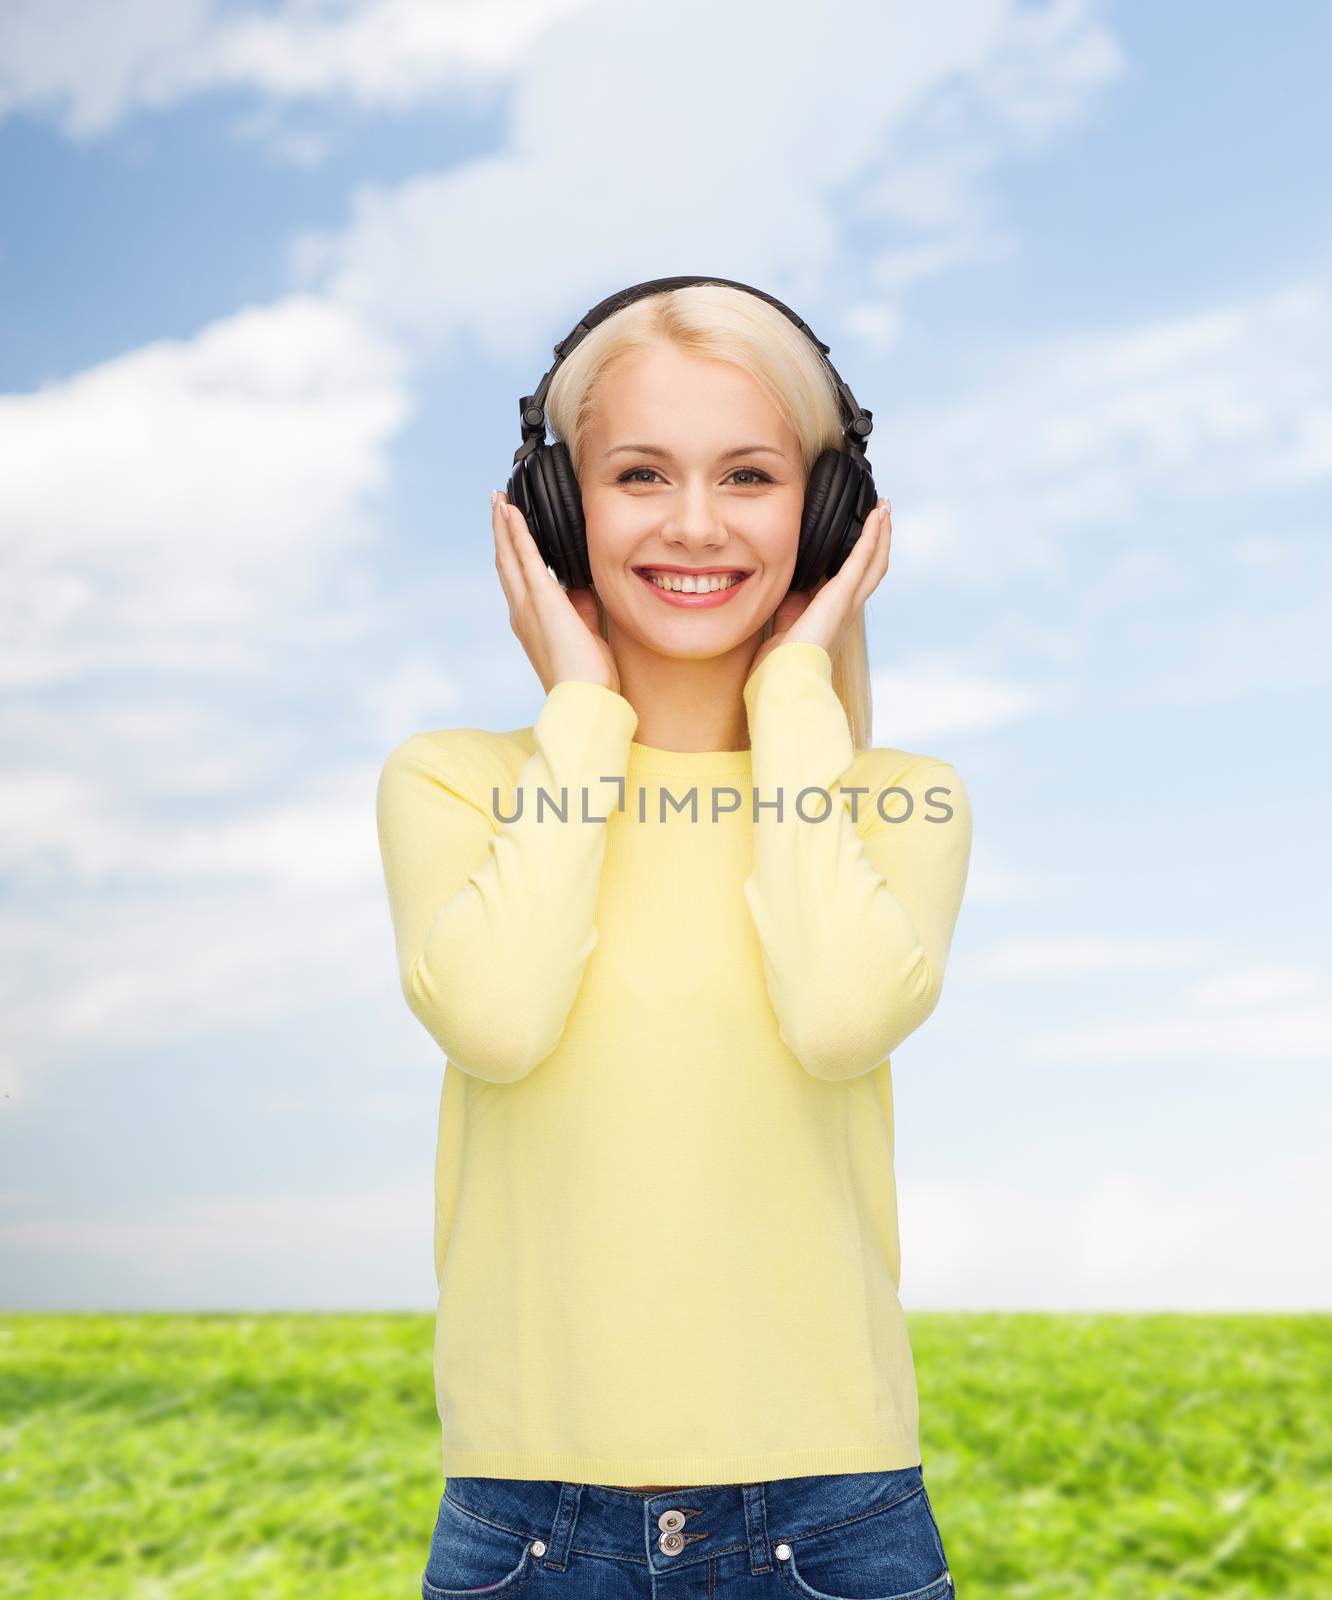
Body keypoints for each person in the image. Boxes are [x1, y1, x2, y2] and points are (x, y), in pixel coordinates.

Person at [376, 280, 973, 1598]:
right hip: (530, 1533)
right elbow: (496, 1021)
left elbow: (833, 1019)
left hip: (830, 1526)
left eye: (750, 475)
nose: (694, 524)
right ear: (552, 514)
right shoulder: (456, 784)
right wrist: (582, 715)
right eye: (639, 474)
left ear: (823, 516)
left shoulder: (895, 801)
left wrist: (796, 693)